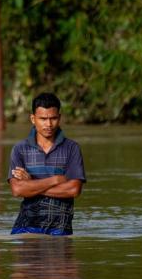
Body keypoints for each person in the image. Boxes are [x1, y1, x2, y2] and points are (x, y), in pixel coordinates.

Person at [8, 93, 86, 235]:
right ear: (33, 119)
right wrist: (55, 180)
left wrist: (31, 184)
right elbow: (17, 190)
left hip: (60, 229)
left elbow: (73, 190)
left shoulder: (71, 148)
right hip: (25, 228)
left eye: (53, 118)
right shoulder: (20, 149)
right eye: (43, 119)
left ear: (60, 118)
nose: (48, 124)